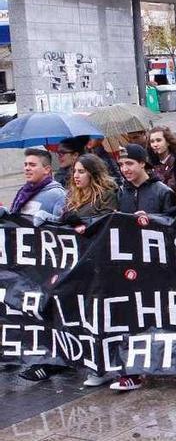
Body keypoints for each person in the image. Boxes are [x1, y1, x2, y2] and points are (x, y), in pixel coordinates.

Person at [112, 144, 176, 391]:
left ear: (143, 164)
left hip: (156, 266)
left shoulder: (162, 192)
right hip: (130, 265)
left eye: (130, 164)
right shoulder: (121, 192)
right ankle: (133, 370)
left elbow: (173, 225)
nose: (125, 169)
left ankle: (162, 363)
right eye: (121, 165)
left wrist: (153, 222)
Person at [6, 148, 67, 383]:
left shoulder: (55, 194)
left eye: (32, 164)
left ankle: (54, 361)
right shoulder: (24, 192)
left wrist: (48, 220)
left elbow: (64, 227)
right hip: (27, 265)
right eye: (25, 165)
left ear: (47, 169)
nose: (27, 168)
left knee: (48, 312)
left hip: (47, 266)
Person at [148, 126, 176, 193]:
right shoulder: (150, 164)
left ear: (168, 142)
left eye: (159, 140)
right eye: (152, 141)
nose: (155, 144)